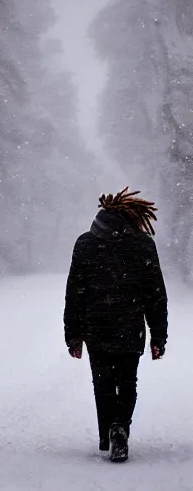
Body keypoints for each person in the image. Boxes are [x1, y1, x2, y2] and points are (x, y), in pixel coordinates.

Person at [63, 187, 168, 462]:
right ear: (135, 215)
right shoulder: (143, 244)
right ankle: (120, 427)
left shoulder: (85, 243)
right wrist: (158, 336)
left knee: (103, 383)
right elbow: (155, 294)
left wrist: (73, 334)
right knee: (128, 381)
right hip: (130, 325)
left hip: (95, 326)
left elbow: (75, 291)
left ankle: (106, 435)